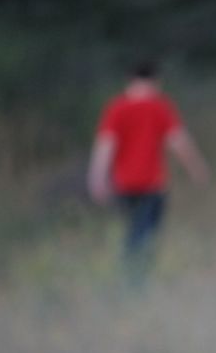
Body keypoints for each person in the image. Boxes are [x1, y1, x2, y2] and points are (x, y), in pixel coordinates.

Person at [87, 61, 209, 283]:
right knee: (145, 235)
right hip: (152, 185)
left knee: (133, 230)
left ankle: (131, 278)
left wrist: (97, 179)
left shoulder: (116, 108)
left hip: (123, 184)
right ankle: (135, 281)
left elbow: (105, 146)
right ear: (155, 82)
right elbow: (179, 142)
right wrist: (197, 168)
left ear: (130, 81)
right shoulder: (159, 107)